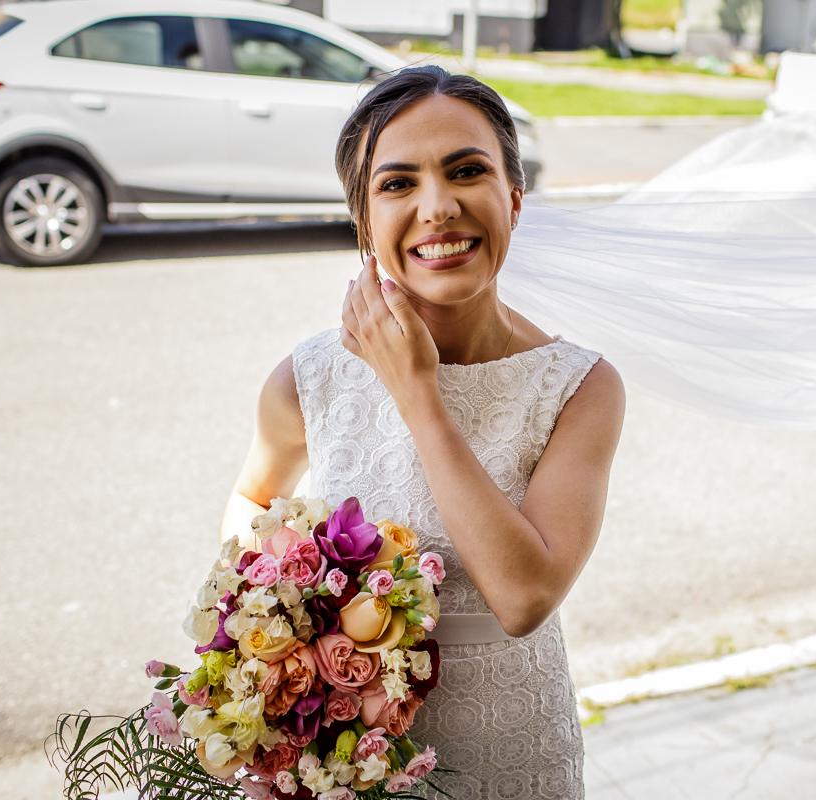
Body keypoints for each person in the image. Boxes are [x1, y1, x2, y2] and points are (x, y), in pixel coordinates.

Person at [221, 65, 625, 800]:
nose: (437, 207)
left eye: (467, 171)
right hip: (338, 754)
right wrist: (270, 630)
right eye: (398, 183)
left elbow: (524, 597)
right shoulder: (306, 379)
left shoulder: (580, 388)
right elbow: (253, 500)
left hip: (512, 748)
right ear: (363, 221)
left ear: (514, 198)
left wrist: (417, 393)